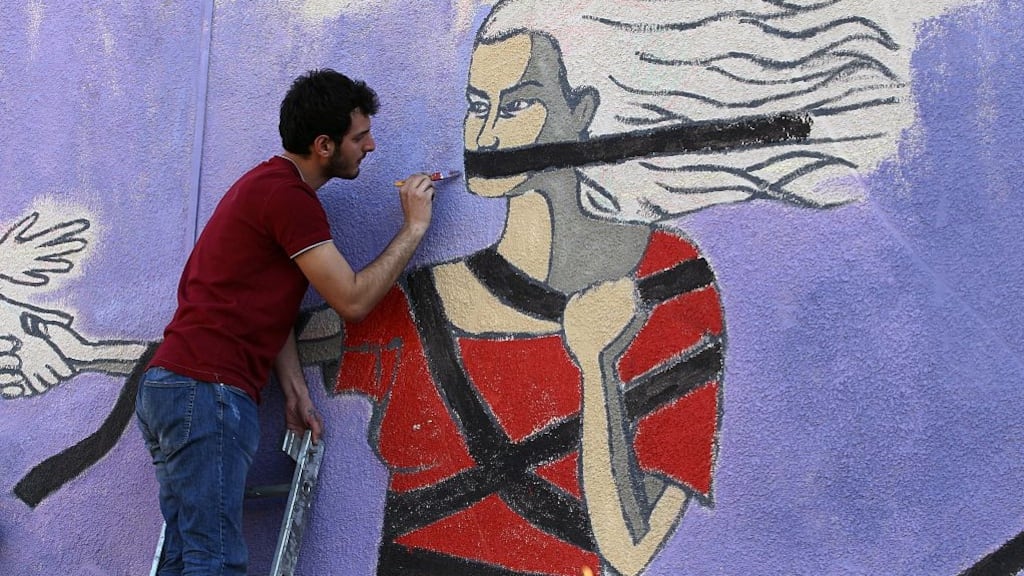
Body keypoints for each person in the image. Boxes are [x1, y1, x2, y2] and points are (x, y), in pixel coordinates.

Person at [136, 69, 435, 575]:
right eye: (359, 137)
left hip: (178, 385)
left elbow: (261, 305)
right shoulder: (290, 200)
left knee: (188, 557)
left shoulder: (264, 186)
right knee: (216, 562)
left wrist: (294, 390)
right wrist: (415, 227)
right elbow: (353, 300)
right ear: (324, 145)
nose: (371, 146)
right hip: (206, 390)